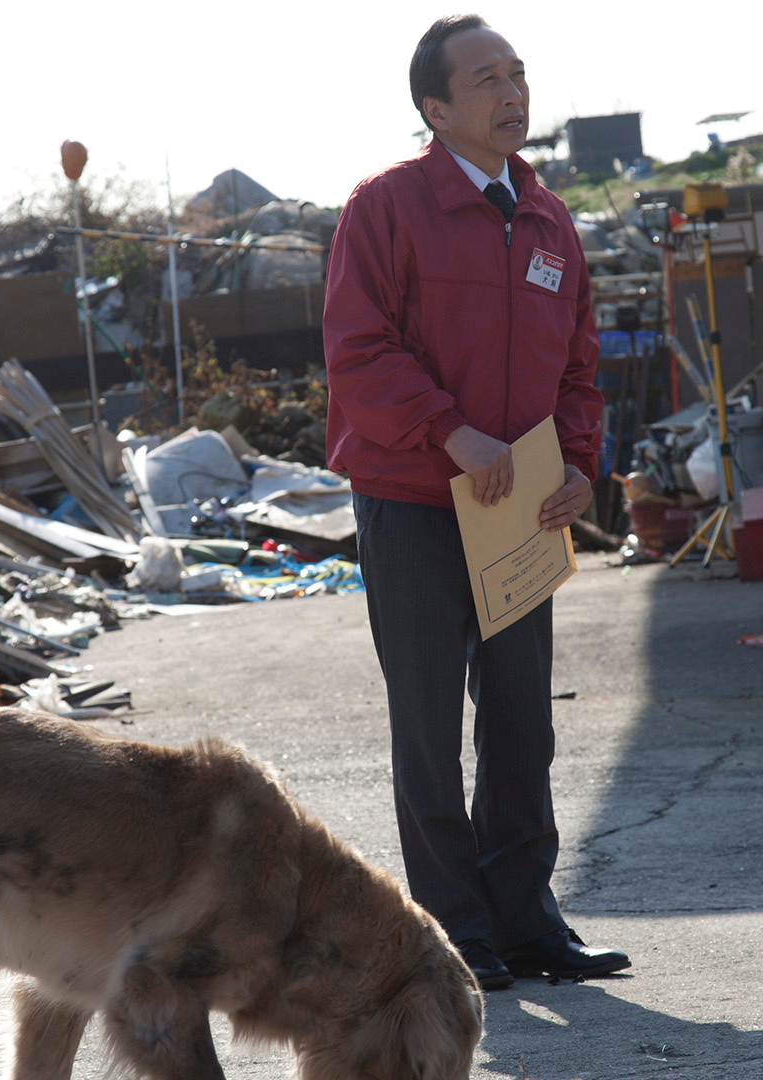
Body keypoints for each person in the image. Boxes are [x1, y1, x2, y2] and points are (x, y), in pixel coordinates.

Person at [321, 13, 630, 991]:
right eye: (487, 79)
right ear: (436, 108)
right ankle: (451, 933)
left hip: (521, 507)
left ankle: (528, 924)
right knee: (428, 723)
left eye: (519, 75)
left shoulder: (548, 218)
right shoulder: (387, 208)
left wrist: (580, 463)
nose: (512, 94)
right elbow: (357, 353)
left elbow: (579, 365)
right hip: (413, 495)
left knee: (520, 718)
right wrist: (451, 431)